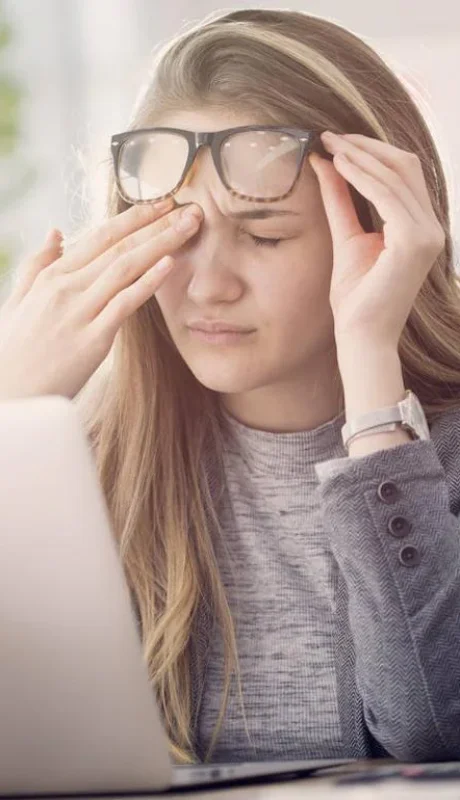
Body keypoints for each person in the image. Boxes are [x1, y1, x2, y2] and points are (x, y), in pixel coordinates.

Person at [1, 7, 460, 767]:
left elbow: (436, 734)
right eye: (177, 230)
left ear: (379, 236)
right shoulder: (88, 456)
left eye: (265, 235)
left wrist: (374, 384)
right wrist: (14, 424)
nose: (207, 287)